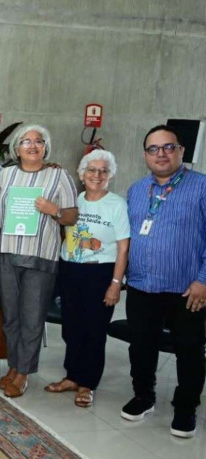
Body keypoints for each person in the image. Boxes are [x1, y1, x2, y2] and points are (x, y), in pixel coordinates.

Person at [120, 125, 206, 438]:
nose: (161, 154)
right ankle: (144, 395)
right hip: (142, 286)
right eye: (154, 149)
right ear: (145, 155)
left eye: (168, 147)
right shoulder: (135, 190)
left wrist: (204, 281)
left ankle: (186, 407)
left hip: (187, 289)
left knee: (189, 349)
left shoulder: (201, 187)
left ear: (182, 151)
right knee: (141, 346)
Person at [0, 124, 78, 398]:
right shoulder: (5, 174)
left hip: (41, 255)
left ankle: (23, 373)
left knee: (32, 317)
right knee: (11, 316)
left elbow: (71, 216)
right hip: (8, 252)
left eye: (38, 141)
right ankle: (13, 365)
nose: (32, 146)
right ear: (16, 149)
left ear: (46, 147)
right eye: (26, 142)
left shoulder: (59, 175)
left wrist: (53, 210)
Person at [44, 150, 129, 407]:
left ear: (110, 175)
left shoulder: (117, 204)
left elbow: (124, 248)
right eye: (92, 170)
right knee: (72, 327)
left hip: (100, 273)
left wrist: (115, 283)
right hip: (70, 270)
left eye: (103, 170)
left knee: (94, 330)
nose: (97, 175)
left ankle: (88, 383)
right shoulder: (75, 199)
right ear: (82, 174)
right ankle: (72, 376)